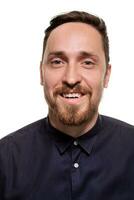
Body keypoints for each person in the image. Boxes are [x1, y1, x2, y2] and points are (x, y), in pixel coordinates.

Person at [0, 10, 134, 200]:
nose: (71, 78)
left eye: (87, 62)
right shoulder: (5, 159)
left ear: (106, 75)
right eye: (57, 62)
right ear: (41, 73)